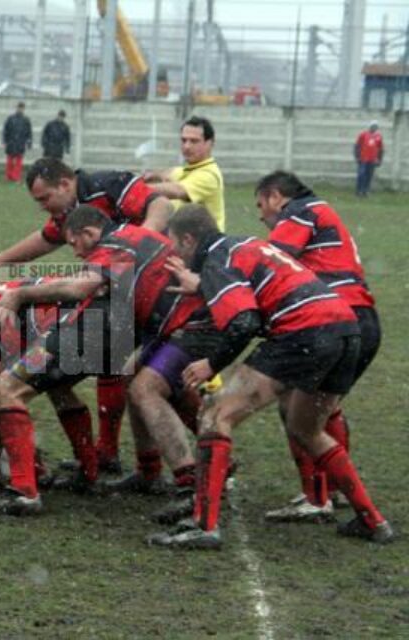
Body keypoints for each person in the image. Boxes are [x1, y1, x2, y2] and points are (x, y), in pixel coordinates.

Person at [149, 205, 394, 549]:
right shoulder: (244, 244)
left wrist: (211, 365)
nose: (177, 254)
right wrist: (205, 288)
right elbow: (259, 292)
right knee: (307, 429)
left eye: (176, 246)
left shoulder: (217, 258)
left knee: (214, 414)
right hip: (345, 327)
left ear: (189, 240)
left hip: (304, 331)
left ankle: (204, 526)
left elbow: (244, 323)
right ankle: (372, 520)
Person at [0, 158, 175, 475]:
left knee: (154, 374)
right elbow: (46, 239)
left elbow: (162, 203)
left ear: (65, 184)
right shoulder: (67, 216)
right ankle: (114, 461)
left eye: (45, 198)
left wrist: (137, 245)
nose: (44, 207)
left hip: (149, 287)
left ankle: (29, 485)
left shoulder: (107, 184)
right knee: (122, 370)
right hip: (110, 301)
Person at [254, 171, 380, 523]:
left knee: (294, 406)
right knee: (323, 408)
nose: (261, 215)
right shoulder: (320, 211)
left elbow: (271, 260)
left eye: (261, 205)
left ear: (275, 196)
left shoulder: (300, 210)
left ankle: (316, 496)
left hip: (331, 319)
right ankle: (335, 489)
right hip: (362, 319)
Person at [144, 115, 226, 230]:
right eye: (184, 140)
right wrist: (153, 175)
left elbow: (178, 191)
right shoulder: (189, 170)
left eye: (194, 141)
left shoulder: (209, 175)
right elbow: (168, 173)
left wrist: (138, 188)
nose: (187, 146)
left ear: (210, 143)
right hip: (185, 242)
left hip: (204, 245)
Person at [2, 102, 32, 182]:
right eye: (19, 108)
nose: (20, 109)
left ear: (24, 109)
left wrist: (29, 142)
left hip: (20, 143)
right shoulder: (10, 118)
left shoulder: (26, 120)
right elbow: (5, 130)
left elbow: (29, 132)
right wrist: (4, 141)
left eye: (22, 108)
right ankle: (8, 176)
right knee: (9, 161)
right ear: (16, 108)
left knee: (19, 162)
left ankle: (16, 177)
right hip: (11, 142)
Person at [354, 121, 383, 197]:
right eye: (373, 126)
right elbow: (357, 146)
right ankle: (359, 190)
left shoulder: (378, 136)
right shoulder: (363, 135)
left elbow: (380, 149)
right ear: (370, 126)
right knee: (361, 175)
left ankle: (365, 191)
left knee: (369, 176)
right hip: (363, 159)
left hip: (372, 160)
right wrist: (357, 157)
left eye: (375, 126)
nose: (374, 128)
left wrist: (379, 159)